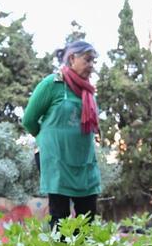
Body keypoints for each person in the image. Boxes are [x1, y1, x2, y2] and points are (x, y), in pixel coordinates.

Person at [22, 39, 102, 230]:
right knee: (60, 217)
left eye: (93, 61)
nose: (91, 66)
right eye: (87, 60)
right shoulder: (53, 83)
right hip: (56, 159)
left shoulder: (88, 93)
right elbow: (29, 120)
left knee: (88, 217)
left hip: (84, 161)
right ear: (72, 58)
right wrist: (44, 139)